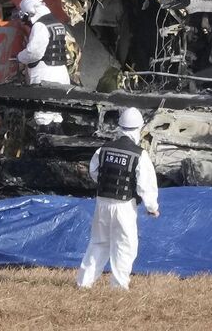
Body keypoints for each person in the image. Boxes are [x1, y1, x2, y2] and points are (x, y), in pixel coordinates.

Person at [77, 107, 159, 290]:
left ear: (120, 127)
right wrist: (152, 207)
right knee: (125, 245)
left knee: (98, 242)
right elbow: (146, 184)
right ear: (139, 128)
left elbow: (93, 172)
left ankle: (84, 283)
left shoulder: (103, 149)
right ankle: (119, 286)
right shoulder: (139, 154)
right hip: (124, 205)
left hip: (102, 203)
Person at [15, 0, 74, 130]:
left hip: (46, 76)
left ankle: (44, 146)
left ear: (30, 12)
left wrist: (19, 57)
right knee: (56, 115)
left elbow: (33, 52)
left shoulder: (40, 26)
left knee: (43, 117)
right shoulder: (57, 23)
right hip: (61, 74)